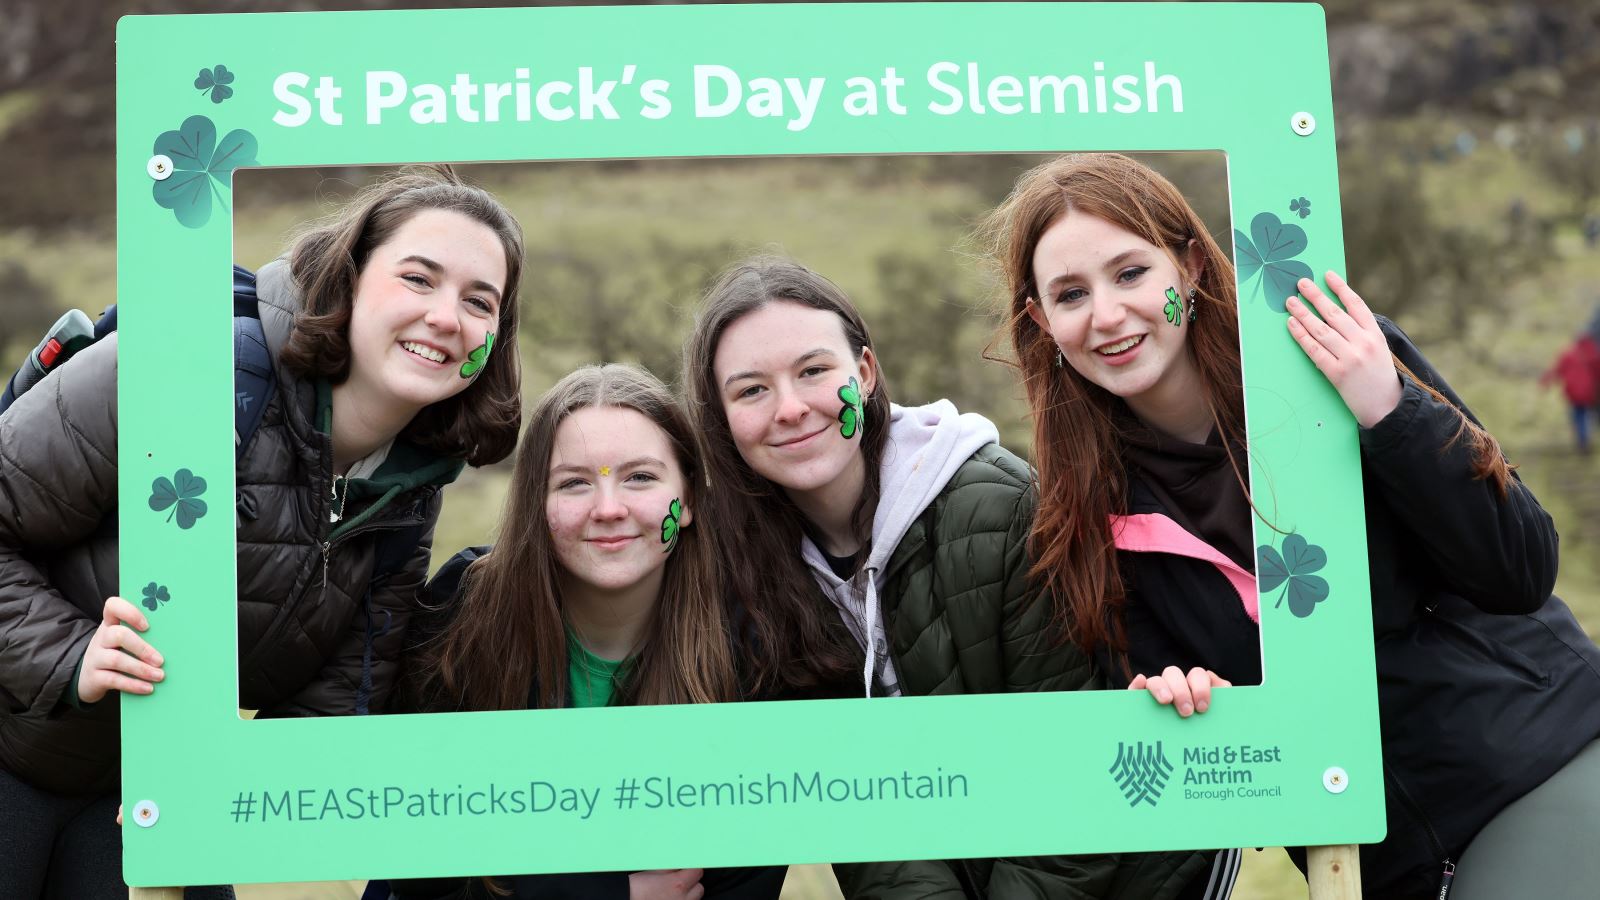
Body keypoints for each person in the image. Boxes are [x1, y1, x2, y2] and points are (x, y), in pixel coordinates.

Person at [985, 151, 1600, 899]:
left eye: (1130, 273)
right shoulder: (1081, 517)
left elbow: (1522, 570)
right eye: (1071, 294)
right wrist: (1183, 698)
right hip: (1364, 849)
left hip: (1537, 757)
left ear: (1190, 268)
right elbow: (1191, 736)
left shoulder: (1337, 356)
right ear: (1041, 320)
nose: (1108, 315)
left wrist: (1389, 412)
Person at [0, 165, 524, 899]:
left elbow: (333, 709)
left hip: (147, 805)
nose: (447, 317)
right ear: (348, 280)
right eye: (417, 279)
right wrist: (68, 655)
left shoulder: (410, 490)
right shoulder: (183, 370)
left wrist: (231, 799)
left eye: (480, 301)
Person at [682, 256, 1212, 898]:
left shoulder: (999, 509)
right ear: (720, 415)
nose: (790, 408)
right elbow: (865, 813)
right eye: (751, 390)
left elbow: (1070, 775)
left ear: (867, 373)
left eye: (815, 371)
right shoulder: (741, 571)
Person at [382, 364, 785, 900]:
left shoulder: (750, 646)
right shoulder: (463, 612)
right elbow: (417, 867)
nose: (609, 509)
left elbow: (737, 879)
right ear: (535, 504)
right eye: (574, 483)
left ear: (686, 501)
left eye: (640, 477)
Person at [1539, 332, 1600, 453]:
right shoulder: (1594, 355)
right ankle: (1585, 439)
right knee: (1584, 415)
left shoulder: (1569, 354)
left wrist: (1545, 381)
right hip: (1588, 393)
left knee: (1578, 416)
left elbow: (1557, 369)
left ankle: (1582, 441)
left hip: (1573, 393)